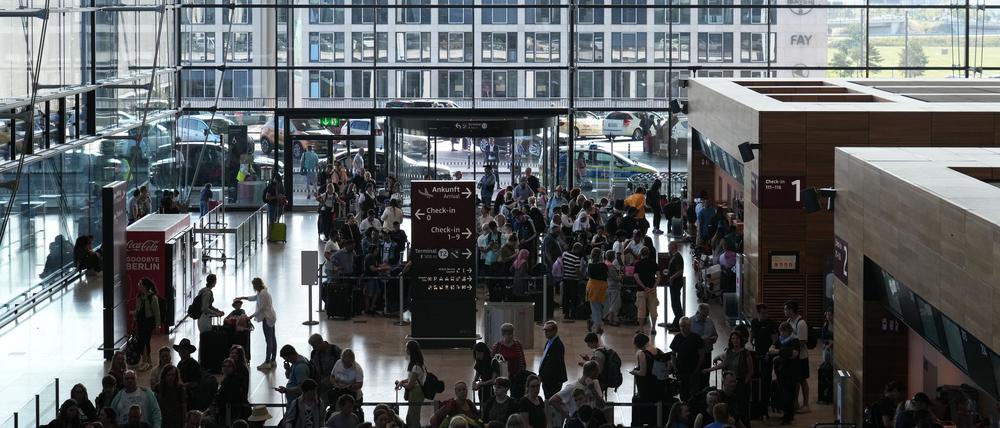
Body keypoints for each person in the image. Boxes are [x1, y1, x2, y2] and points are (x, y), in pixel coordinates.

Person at [548, 361, 606, 427]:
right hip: (576, 424)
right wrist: (567, 417)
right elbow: (552, 400)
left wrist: (593, 390)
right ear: (592, 372)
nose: (598, 374)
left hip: (592, 423)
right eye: (597, 372)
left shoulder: (595, 383)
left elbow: (602, 405)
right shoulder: (571, 387)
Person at [239, 278, 276, 370]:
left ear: (256, 285)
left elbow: (261, 308)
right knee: (272, 339)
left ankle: (267, 362)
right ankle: (273, 360)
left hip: (267, 318)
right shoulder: (262, 292)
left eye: (254, 285)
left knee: (269, 340)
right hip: (271, 317)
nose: (253, 287)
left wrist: (251, 316)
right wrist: (243, 298)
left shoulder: (263, 294)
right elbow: (254, 298)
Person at [769, 322, 801, 425]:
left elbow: (794, 354)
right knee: (783, 394)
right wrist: (784, 352)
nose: (781, 334)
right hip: (781, 371)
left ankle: (788, 417)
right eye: (780, 332)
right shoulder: (781, 339)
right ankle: (786, 415)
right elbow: (771, 349)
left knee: (789, 395)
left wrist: (778, 352)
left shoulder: (794, 340)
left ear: (788, 331)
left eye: (783, 332)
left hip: (791, 372)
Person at [629, 333, 662, 426]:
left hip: (646, 387)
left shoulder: (642, 354)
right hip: (658, 385)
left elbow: (643, 372)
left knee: (639, 401)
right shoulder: (659, 351)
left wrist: (634, 372)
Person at [670, 317, 705, 401]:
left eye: (684, 326)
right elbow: (673, 354)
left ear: (689, 326)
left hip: (693, 370)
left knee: (693, 393)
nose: (682, 328)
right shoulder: (677, 337)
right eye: (681, 326)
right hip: (681, 370)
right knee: (683, 393)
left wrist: (697, 368)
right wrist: (675, 367)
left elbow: (701, 355)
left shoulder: (696, 338)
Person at [785, 300, 810, 413]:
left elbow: (802, 342)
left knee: (802, 380)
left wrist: (791, 347)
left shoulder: (801, 323)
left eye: (786, 309)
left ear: (791, 310)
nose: (784, 311)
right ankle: (795, 403)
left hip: (801, 357)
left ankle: (806, 405)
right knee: (795, 381)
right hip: (793, 357)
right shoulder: (788, 321)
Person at [395, 340, 427, 428]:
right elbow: (412, 378)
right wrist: (402, 381)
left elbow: (410, 385)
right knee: (411, 416)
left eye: (407, 348)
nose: (406, 350)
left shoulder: (416, 367)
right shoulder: (418, 364)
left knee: (413, 417)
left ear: (411, 350)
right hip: (417, 392)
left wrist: (401, 384)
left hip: (416, 393)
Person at [133, 279, 162, 371]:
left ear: (145, 286)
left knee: (145, 341)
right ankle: (148, 361)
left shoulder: (152, 297)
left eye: (140, 283)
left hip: (148, 322)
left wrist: (157, 326)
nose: (138, 285)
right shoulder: (139, 296)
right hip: (140, 321)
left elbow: (157, 313)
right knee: (141, 341)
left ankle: (145, 361)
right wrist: (134, 317)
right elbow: (137, 309)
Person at [491, 324, 527, 398]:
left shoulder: (518, 345)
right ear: (503, 334)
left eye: (511, 333)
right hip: (502, 377)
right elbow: (493, 362)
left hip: (516, 376)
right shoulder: (497, 346)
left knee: (516, 396)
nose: (509, 336)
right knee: (502, 396)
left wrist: (522, 372)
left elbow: (522, 360)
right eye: (507, 334)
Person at [213, 358, 251, 424]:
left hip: (232, 412)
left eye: (229, 366)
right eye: (224, 366)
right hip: (228, 411)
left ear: (233, 368)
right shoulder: (227, 379)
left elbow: (227, 397)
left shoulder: (233, 380)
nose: (226, 368)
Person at [307, 334, 342, 403]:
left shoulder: (335, 351)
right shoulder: (314, 353)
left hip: (334, 386)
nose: (313, 348)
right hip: (320, 388)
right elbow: (313, 369)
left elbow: (342, 368)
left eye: (314, 346)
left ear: (320, 342)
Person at [537, 321, 567, 400]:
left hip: (553, 380)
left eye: (548, 330)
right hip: (548, 379)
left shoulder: (557, 345)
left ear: (555, 331)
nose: (546, 332)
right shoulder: (549, 342)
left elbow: (552, 365)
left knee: (551, 400)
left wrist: (541, 376)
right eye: (545, 330)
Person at [633, 247, 659, 335]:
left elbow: (636, 277)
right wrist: (654, 287)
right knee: (653, 309)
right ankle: (653, 328)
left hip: (641, 290)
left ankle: (641, 329)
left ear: (641, 254)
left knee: (641, 310)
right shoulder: (654, 263)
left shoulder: (638, 264)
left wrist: (644, 287)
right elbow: (659, 276)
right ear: (648, 253)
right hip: (652, 290)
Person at [662, 241, 686, 331]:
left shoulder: (678, 257)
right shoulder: (673, 257)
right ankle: (676, 322)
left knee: (676, 304)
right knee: (674, 303)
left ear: (673, 247)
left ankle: (678, 325)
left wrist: (672, 277)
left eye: (669, 247)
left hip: (676, 283)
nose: (668, 248)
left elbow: (680, 271)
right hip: (673, 283)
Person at [585, 248, 608, 334]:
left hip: (592, 287)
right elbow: (606, 275)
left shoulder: (590, 265)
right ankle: (598, 327)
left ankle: (593, 321)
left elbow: (588, 275)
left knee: (595, 308)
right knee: (600, 308)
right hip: (602, 288)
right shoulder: (603, 266)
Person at [559, 244, 584, 320]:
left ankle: (566, 313)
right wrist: (582, 277)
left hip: (565, 279)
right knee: (574, 298)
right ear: (577, 249)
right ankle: (573, 314)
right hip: (573, 280)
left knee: (566, 296)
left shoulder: (565, 254)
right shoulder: (576, 258)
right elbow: (577, 271)